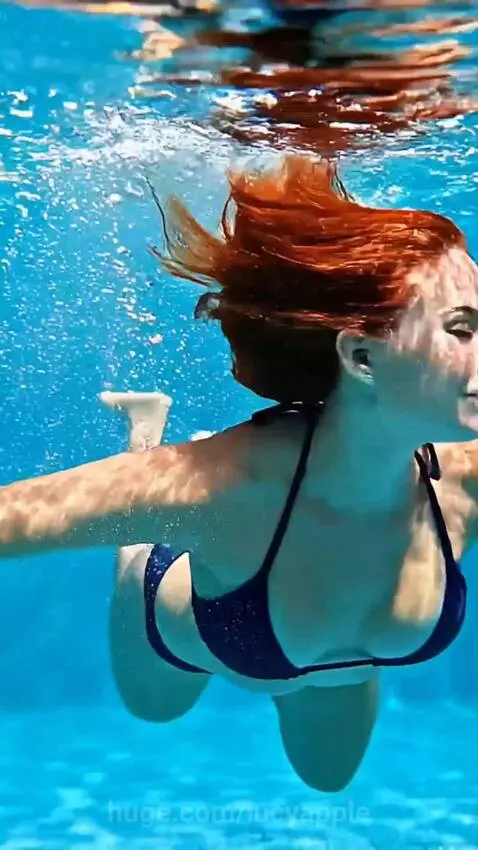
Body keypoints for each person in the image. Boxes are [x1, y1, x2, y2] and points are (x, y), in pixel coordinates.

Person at [1, 154, 478, 793]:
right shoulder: (218, 487)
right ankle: (145, 451)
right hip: (189, 630)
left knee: (328, 780)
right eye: (462, 329)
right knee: (157, 708)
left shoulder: (462, 483)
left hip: (334, 664)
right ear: (362, 356)